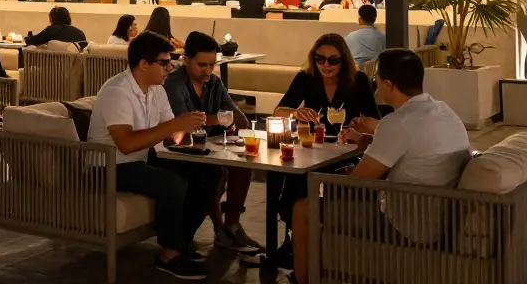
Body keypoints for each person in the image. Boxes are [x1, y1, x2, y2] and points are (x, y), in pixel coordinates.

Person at [288, 50, 469, 284]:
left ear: (388, 84)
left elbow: (355, 184)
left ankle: (302, 280)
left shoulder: (397, 123)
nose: (375, 84)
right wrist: (366, 141)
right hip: (442, 211)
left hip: (410, 222)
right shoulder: (443, 110)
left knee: (303, 208)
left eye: (376, 79)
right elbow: (412, 147)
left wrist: (328, 181)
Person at [89, 32, 217, 280]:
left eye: (170, 61)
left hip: (141, 159)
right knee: (171, 185)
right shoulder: (117, 91)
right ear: (144, 64)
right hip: (109, 165)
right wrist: (173, 127)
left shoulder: (156, 89)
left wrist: (187, 130)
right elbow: (126, 144)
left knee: (206, 172)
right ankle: (168, 255)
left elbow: (171, 135)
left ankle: (181, 243)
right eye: (164, 62)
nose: (170, 67)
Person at [271, 33, 380, 259]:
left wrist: (360, 128)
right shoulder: (306, 78)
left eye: (333, 60)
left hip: (347, 151)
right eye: (320, 59)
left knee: (322, 186)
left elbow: (376, 122)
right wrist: (295, 112)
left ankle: (315, 240)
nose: (326, 65)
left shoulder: (357, 80)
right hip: (313, 149)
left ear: (343, 60)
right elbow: (278, 111)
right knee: (294, 185)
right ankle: (297, 239)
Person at [164, 32, 261, 253]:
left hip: (210, 146)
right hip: (179, 151)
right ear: (185, 59)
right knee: (215, 171)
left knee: (243, 166)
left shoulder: (214, 82)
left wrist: (230, 123)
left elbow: (239, 119)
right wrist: (217, 119)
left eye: (212, 64)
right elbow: (183, 123)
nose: (208, 70)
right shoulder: (174, 83)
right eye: (201, 65)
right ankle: (220, 230)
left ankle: (231, 226)